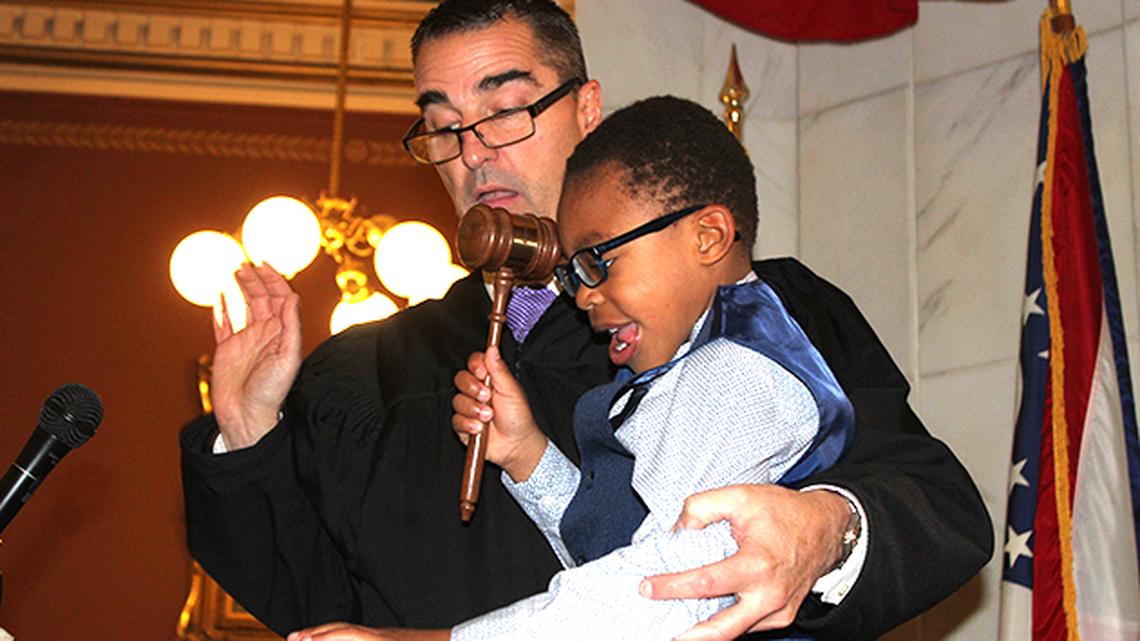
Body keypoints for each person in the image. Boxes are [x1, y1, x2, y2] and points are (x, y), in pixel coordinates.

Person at [181, 2, 992, 641]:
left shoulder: (737, 308)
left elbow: (938, 505)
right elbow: (315, 607)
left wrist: (826, 528)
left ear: (588, 108)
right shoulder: (366, 369)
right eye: (442, 125)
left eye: (506, 110)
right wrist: (248, 428)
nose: (474, 154)